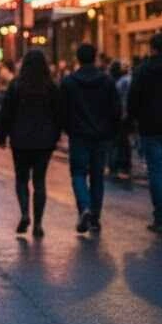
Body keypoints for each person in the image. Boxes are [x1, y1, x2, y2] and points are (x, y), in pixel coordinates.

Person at [0, 49, 62, 238]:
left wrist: (2, 135)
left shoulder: (17, 85)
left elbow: (6, 113)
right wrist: (56, 135)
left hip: (20, 138)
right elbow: (59, 114)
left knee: (21, 178)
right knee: (40, 181)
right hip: (44, 140)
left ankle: (25, 212)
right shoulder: (50, 86)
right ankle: (38, 223)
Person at [61, 43, 121, 234]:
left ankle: (85, 207)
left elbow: (63, 110)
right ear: (95, 57)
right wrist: (113, 130)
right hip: (101, 135)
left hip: (79, 135)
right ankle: (95, 217)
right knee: (97, 177)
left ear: (78, 59)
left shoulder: (69, 82)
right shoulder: (107, 81)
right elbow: (116, 109)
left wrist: (67, 129)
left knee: (78, 173)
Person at [127, 31, 162, 233]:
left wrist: (133, 120)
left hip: (150, 127)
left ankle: (161, 216)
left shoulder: (143, 70)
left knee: (156, 171)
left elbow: (133, 99)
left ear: (151, 48)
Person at [108, 60, 133, 188]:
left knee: (115, 142)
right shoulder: (127, 80)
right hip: (125, 116)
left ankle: (115, 167)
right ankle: (125, 166)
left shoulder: (118, 83)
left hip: (117, 116)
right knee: (124, 142)